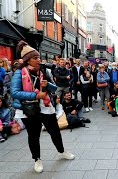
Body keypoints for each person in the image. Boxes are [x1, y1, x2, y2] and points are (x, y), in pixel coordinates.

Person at [10, 41, 75, 173]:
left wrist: (47, 85)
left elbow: (54, 87)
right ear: (28, 60)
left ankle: (62, 151)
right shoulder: (19, 73)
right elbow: (14, 92)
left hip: (45, 106)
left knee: (54, 131)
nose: (39, 60)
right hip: (28, 109)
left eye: (39, 57)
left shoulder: (43, 71)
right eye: (35, 58)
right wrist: (35, 96)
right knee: (33, 135)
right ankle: (37, 159)